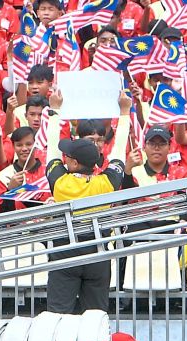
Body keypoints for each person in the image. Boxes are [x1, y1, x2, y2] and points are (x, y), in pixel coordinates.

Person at [43, 87, 132, 313]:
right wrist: (125, 112)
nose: (64, 156)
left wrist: (54, 110)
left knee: (58, 316)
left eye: (68, 155)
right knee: (95, 317)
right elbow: (120, 149)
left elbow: (51, 148)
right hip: (98, 252)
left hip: (65, 252)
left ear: (73, 164)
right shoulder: (106, 183)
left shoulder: (60, 183)